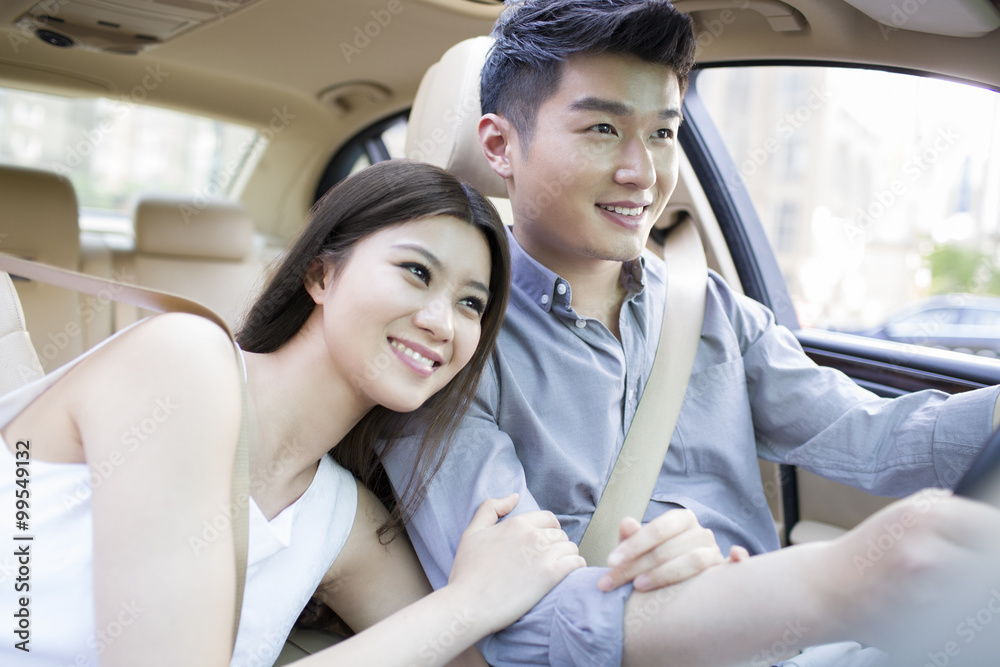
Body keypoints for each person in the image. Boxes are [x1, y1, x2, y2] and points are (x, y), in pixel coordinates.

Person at [380, 2, 1000, 666]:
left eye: (662, 133)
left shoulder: (707, 306)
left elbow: (877, 438)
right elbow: (505, 613)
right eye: (601, 128)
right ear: (501, 145)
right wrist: (777, 590)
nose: (642, 173)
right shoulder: (444, 342)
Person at [0, 158, 720, 667]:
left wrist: (663, 583)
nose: (443, 321)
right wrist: (465, 602)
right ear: (321, 272)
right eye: (416, 271)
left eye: (472, 303)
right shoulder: (181, 364)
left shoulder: (343, 518)